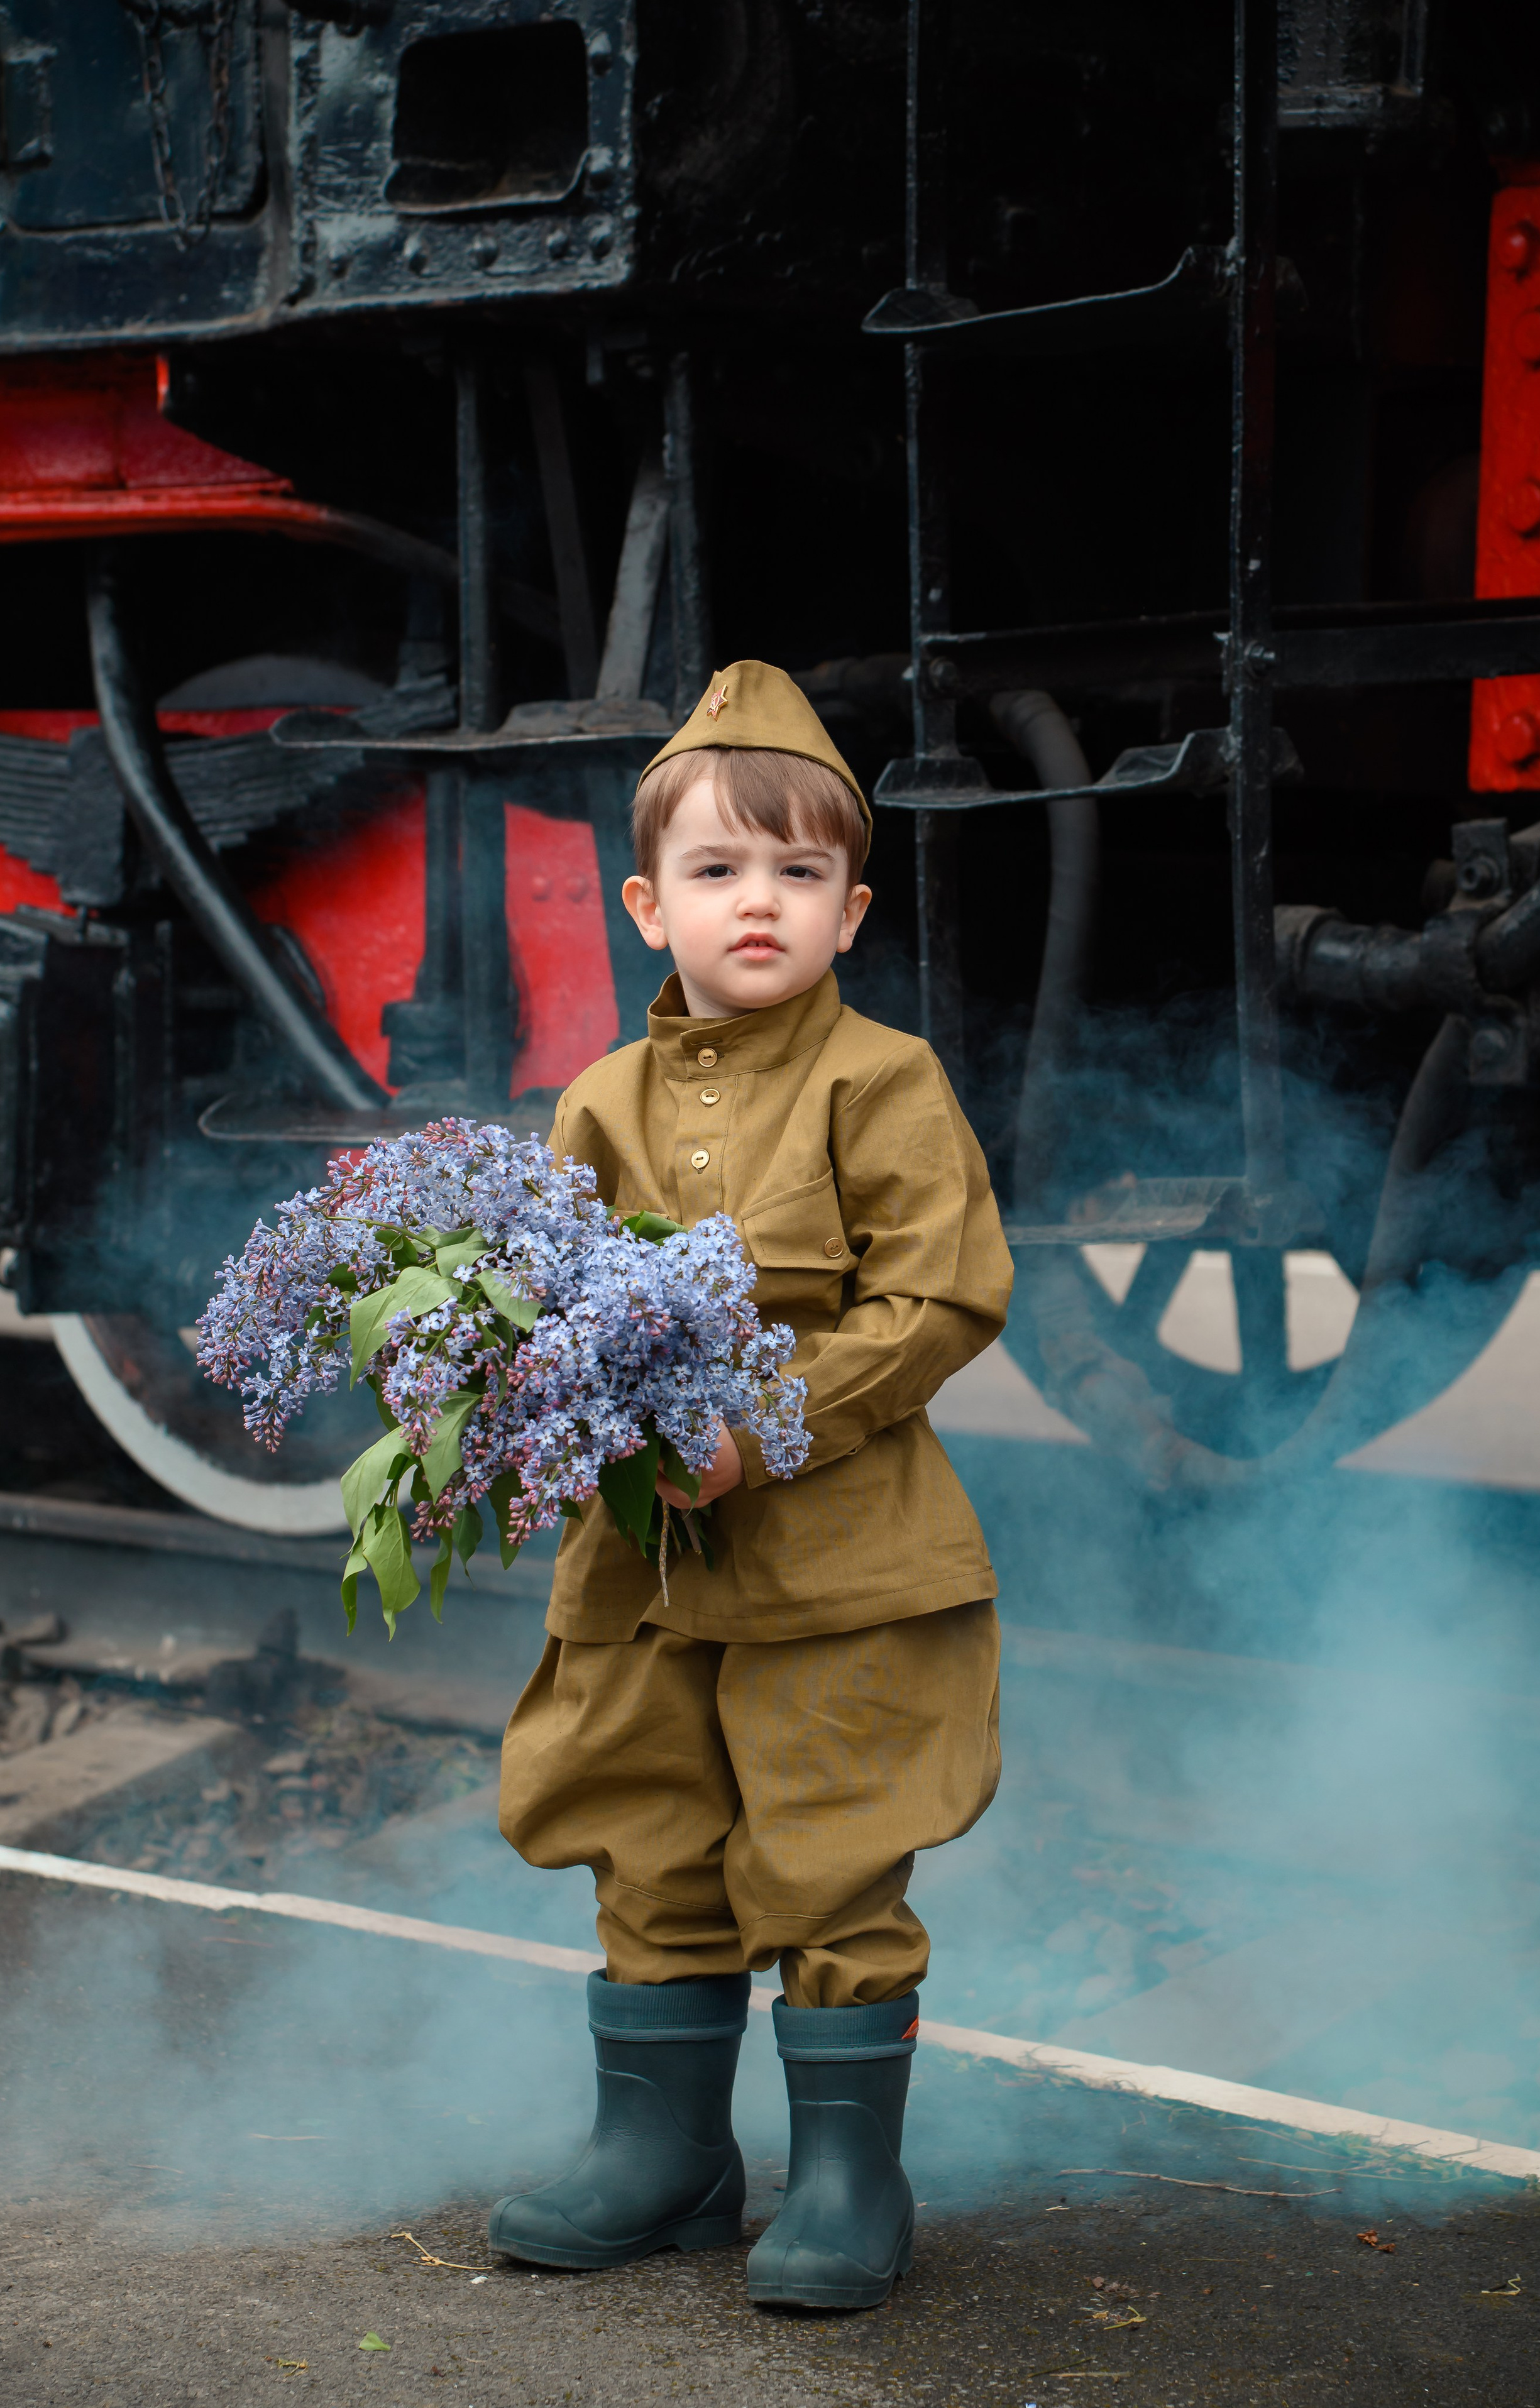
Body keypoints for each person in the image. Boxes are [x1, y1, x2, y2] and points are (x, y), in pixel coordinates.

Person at [492, 660, 1013, 2309]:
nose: (760, 903)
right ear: (648, 906)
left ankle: (850, 2178)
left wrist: (762, 1424)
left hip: (842, 1560)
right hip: (640, 1569)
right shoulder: (597, 1101)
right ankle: (665, 2156)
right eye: (719, 871)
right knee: (649, 1829)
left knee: (833, 1845)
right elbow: (537, 1305)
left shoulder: (885, 1081)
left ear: (851, 911)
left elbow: (935, 1300)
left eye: (799, 873)